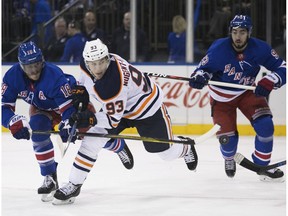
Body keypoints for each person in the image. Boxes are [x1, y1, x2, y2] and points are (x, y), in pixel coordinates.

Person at [52, 38, 198, 205]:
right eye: (93, 64)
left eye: (101, 62)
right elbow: (84, 83)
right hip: (121, 107)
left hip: (147, 110)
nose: (98, 68)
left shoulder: (112, 84)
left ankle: (185, 147)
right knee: (92, 139)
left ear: (107, 58)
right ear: (87, 61)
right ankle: (74, 183)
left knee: (165, 153)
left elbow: (112, 120)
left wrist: (86, 119)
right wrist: (80, 94)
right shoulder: (88, 64)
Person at [1, 41, 133, 203]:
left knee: (89, 134)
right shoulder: (11, 77)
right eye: (30, 67)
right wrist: (12, 121)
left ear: (42, 61)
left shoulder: (53, 75)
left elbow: (68, 109)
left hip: (71, 104)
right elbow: (4, 107)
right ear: (21, 66)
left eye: (37, 65)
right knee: (37, 130)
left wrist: (68, 123)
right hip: (42, 108)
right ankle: (50, 176)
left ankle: (117, 145)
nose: (34, 71)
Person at [189, 15, 286, 182]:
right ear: (230, 32)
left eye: (242, 32)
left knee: (265, 126)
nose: (238, 36)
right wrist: (199, 77)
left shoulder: (260, 48)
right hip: (221, 98)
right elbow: (202, 70)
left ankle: (262, 166)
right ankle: (229, 158)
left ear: (249, 33)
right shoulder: (219, 48)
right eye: (234, 32)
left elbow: (282, 67)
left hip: (247, 93)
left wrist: (272, 79)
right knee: (228, 142)